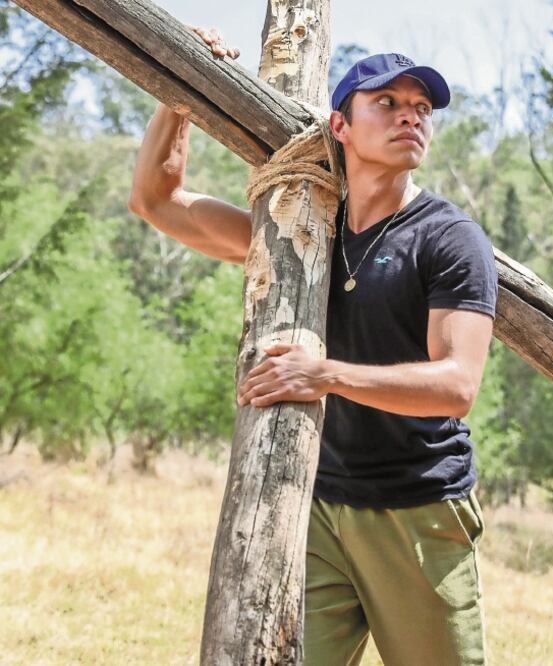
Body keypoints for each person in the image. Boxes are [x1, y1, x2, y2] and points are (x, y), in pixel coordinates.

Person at [128, 28, 497, 666]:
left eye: (422, 109)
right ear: (340, 126)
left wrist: (323, 374)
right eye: (388, 103)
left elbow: (457, 387)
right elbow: (157, 201)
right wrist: (180, 93)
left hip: (417, 512)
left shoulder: (450, 239)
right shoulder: (300, 229)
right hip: (317, 508)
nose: (411, 115)